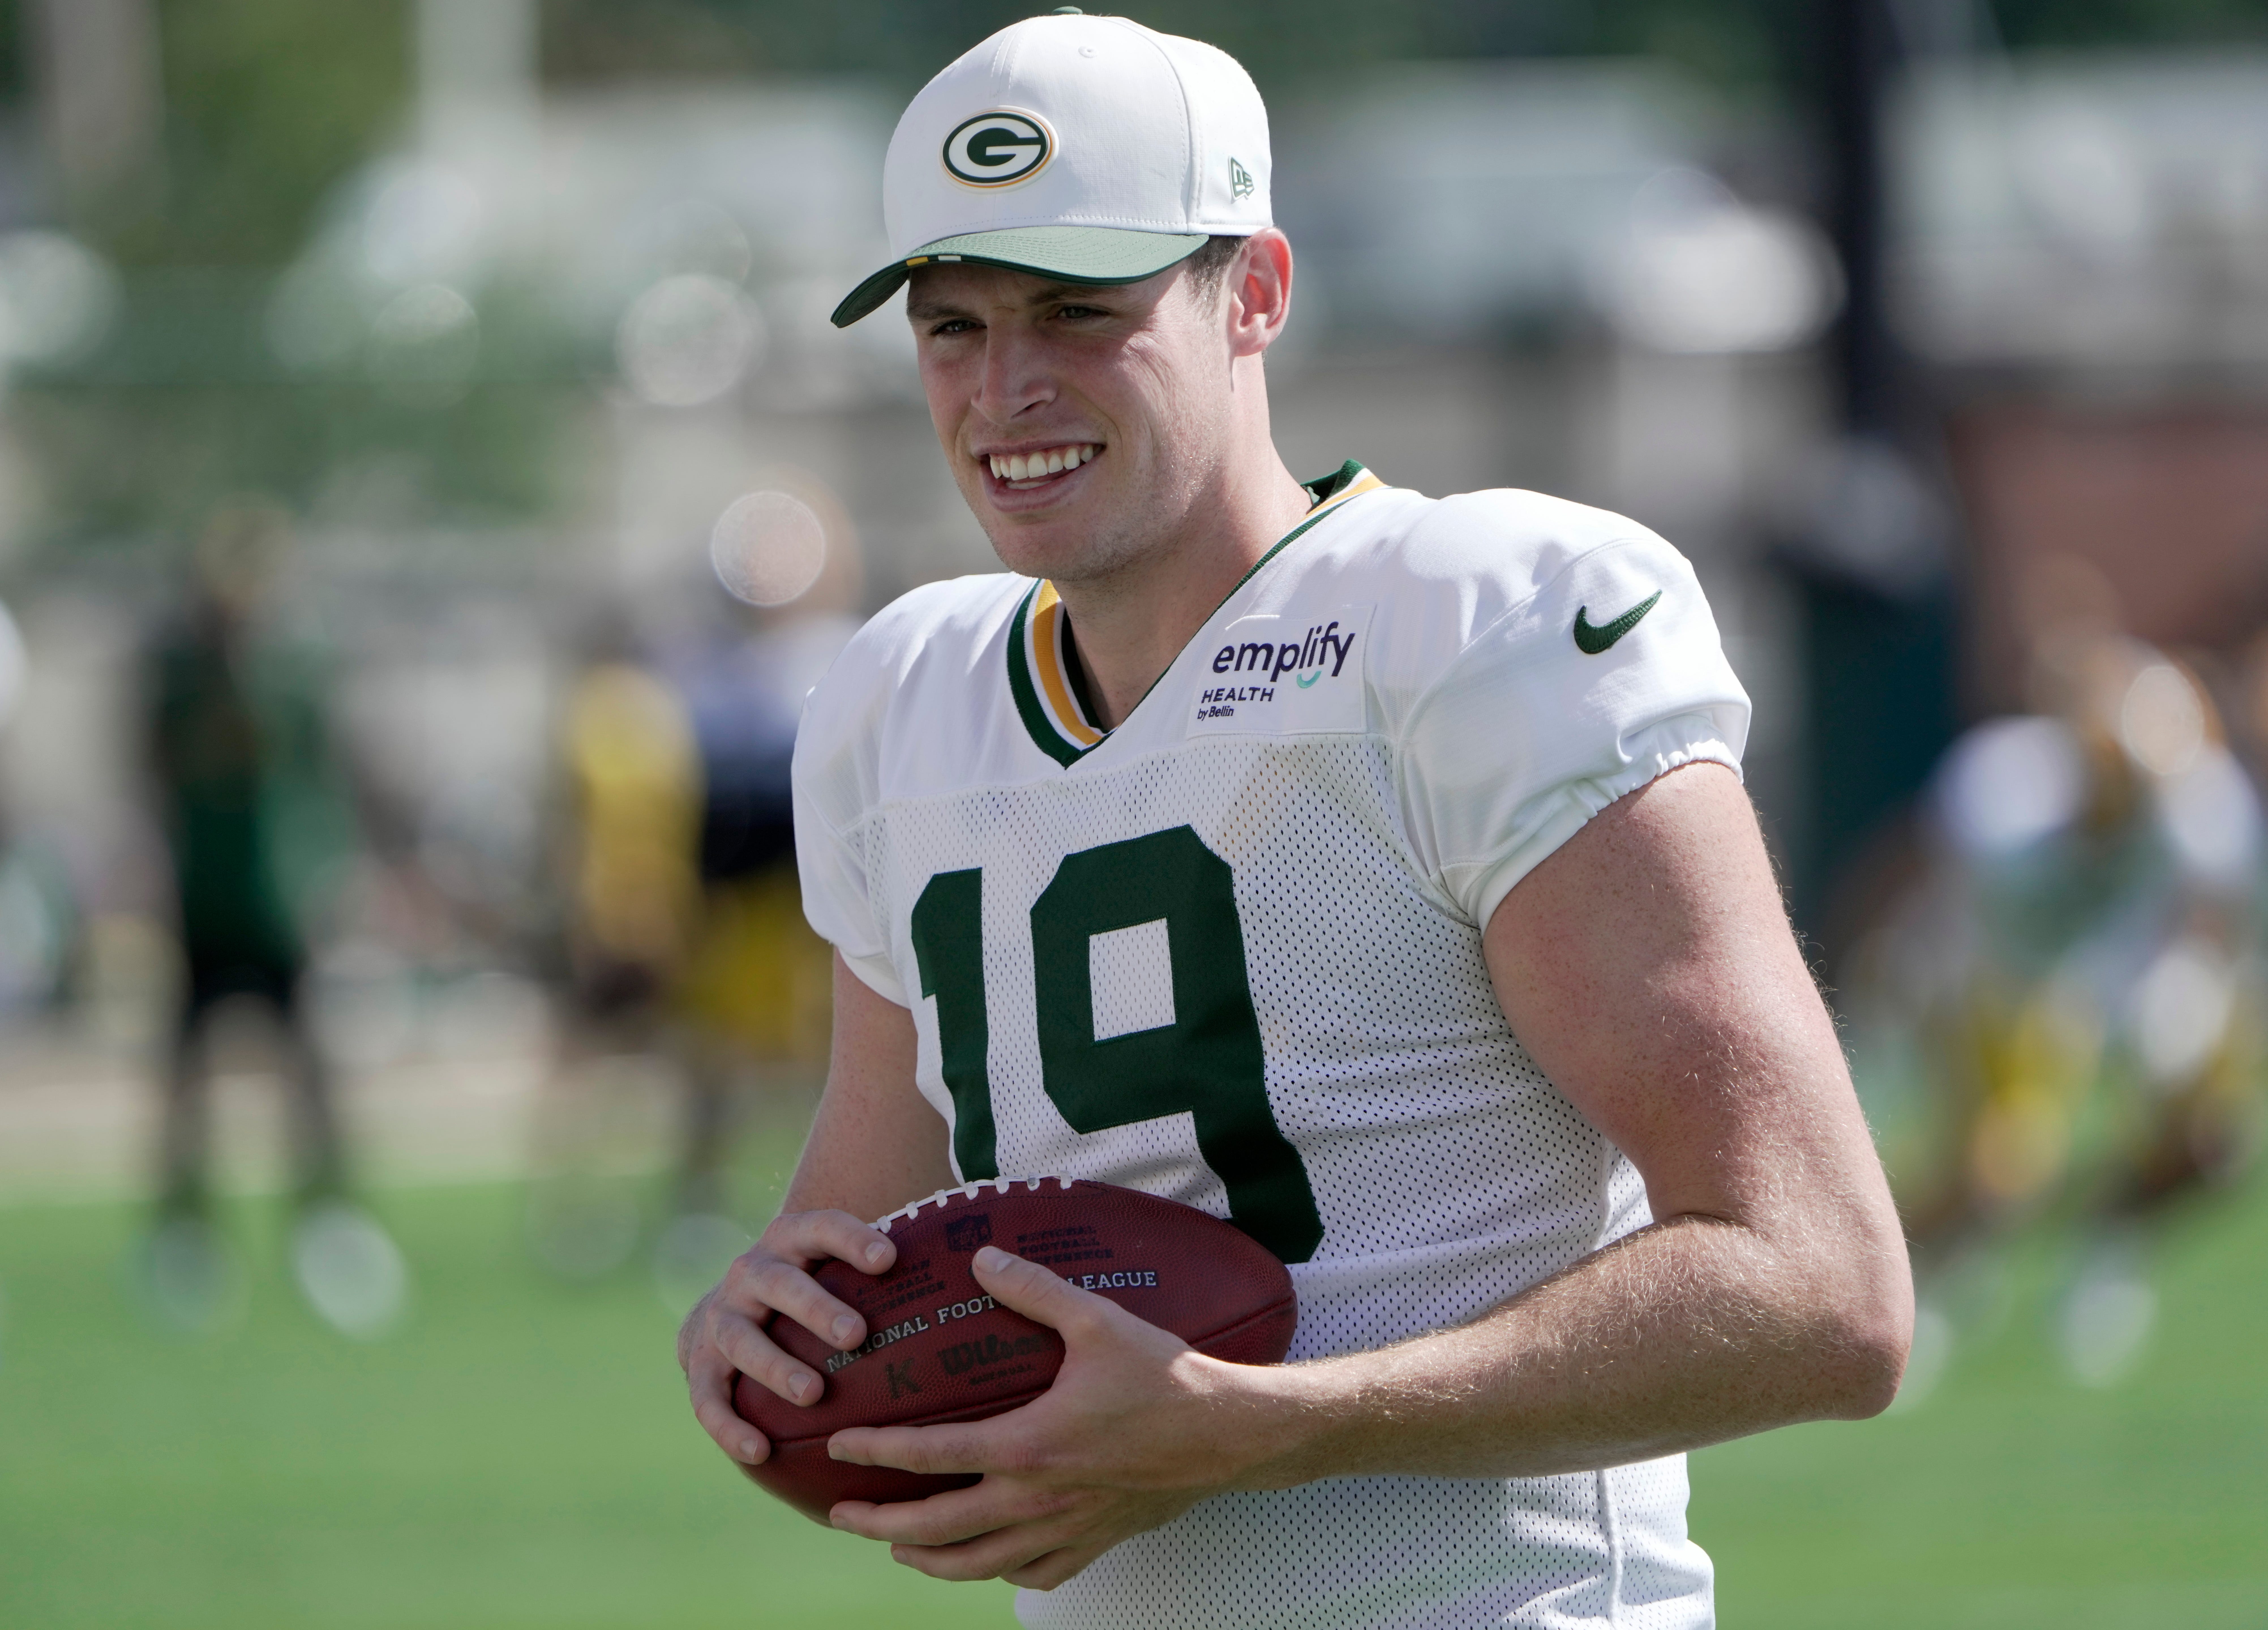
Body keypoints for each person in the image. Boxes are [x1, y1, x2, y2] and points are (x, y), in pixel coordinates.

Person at [677, 15, 1912, 1627]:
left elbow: (1822, 1287)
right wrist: (773, 1329)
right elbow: (853, 1240)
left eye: (1080, 311)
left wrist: (1275, 1426)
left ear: (1254, 291)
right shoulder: (902, 705)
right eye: (953, 326)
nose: (1005, 388)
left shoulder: (1475, 626)